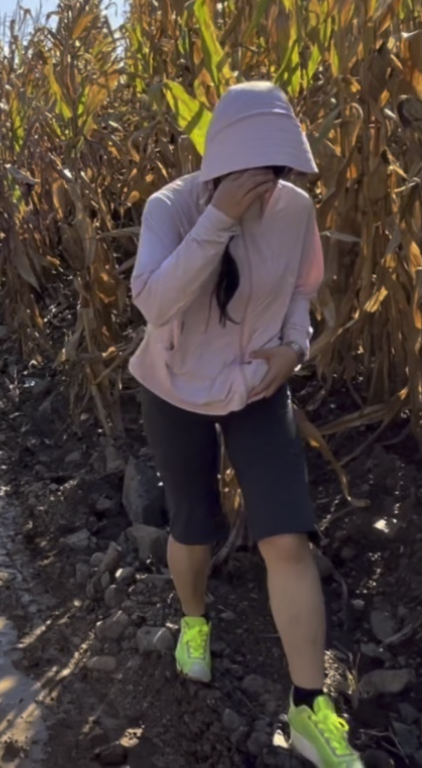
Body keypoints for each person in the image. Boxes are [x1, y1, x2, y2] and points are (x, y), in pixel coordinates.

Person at [127, 81, 362, 767]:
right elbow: (155, 301)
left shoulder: (295, 211)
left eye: (281, 169)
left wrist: (293, 349)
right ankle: (194, 622)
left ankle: (311, 705)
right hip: (174, 385)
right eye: (257, 170)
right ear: (224, 159)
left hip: (259, 385)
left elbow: (299, 292)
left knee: (287, 533)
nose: (271, 184)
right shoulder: (171, 207)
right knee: (194, 522)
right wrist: (219, 220)